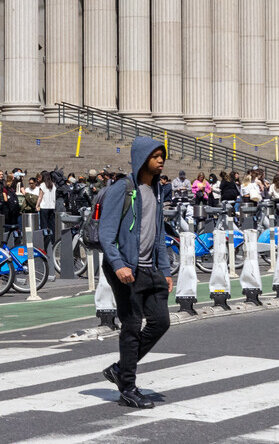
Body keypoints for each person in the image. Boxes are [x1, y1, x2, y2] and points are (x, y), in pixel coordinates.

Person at [96, 138, 177, 410]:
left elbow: (158, 235)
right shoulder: (123, 188)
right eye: (155, 156)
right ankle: (128, 388)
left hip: (150, 268)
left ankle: (121, 369)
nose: (160, 160)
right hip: (125, 269)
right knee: (131, 327)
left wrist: (164, 270)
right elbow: (106, 233)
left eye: (162, 156)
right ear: (142, 159)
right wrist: (118, 264)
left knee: (161, 321)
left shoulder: (156, 190)